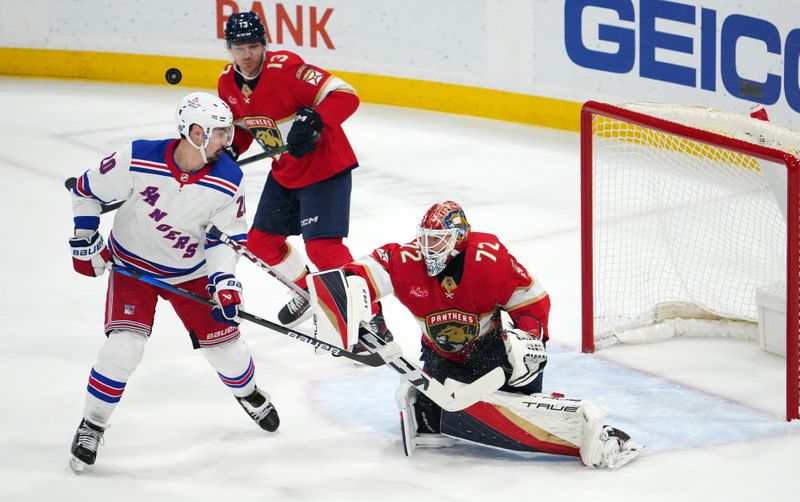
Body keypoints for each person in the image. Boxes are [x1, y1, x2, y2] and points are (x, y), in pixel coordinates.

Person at [314, 200, 643, 468]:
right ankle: (442, 410)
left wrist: (530, 338)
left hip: (493, 355)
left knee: (517, 360)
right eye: (425, 237)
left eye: (437, 239)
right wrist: (343, 304)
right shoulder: (404, 259)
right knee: (430, 410)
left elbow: (533, 301)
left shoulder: (489, 260)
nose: (428, 247)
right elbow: (359, 275)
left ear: (459, 238)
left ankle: (528, 405)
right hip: (441, 355)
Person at [66, 92, 280, 474]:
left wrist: (224, 280)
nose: (226, 141)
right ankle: (93, 424)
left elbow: (223, 239)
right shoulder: (138, 157)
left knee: (228, 353)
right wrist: (85, 239)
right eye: (218, 133)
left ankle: (248, 393)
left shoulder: (230, 179)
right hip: (133, 267)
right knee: (124, 349)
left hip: (191, 274)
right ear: (194, 131)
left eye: (227, 132)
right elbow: (85, 192)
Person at [217, 11, 390, 346]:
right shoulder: (227, 82)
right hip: (285, 171)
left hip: (325, 169)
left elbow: (346, 94)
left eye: (253, 46)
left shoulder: (287, 70)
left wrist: (314, 121)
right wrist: (232, 150)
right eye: (240, 48)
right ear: (230, 49)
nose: (247, 54)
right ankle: (308, 290)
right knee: (262, 243)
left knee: (324, 249)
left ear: (264, 45)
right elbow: (243, 128)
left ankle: (372, 320)